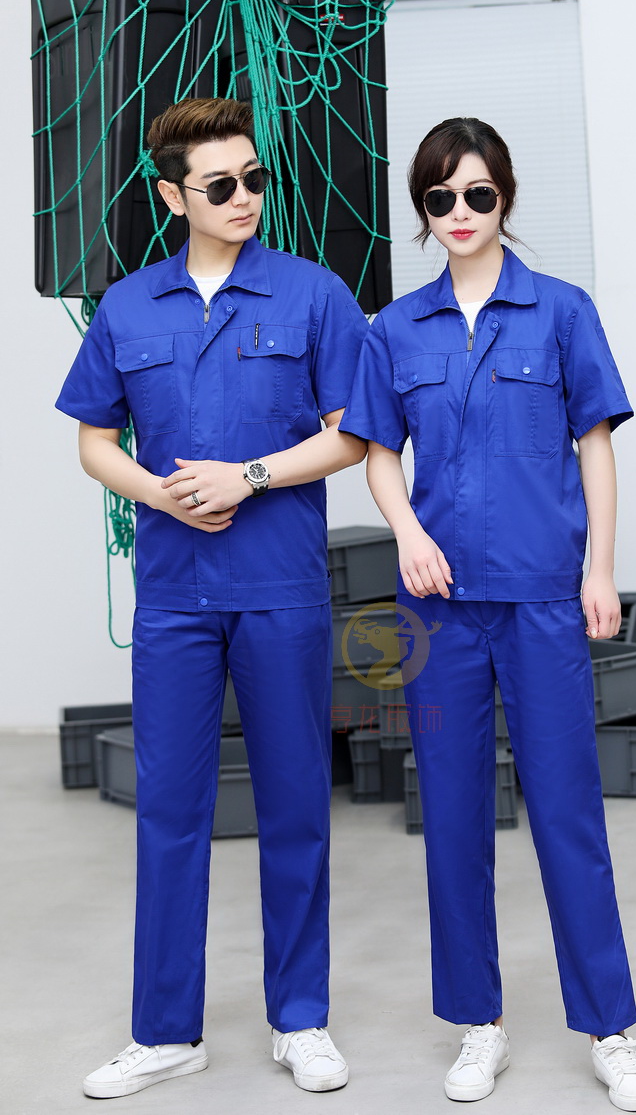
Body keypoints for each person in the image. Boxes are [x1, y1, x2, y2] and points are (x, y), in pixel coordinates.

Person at [339, 117, 636, 1111]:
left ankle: (609, 1028)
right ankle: (480, 1025)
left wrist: (600, 569)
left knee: (567, 812)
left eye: (478, 194)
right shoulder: (395, 329)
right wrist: (405, 531)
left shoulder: (562, 311)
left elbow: (595, 445)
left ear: (505, 197)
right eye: (440, 198)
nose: (461, 213)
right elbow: (378, 452)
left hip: (543, 600)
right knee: (452, 817)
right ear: (424, 212)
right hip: (440, 610)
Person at [55, 97, 370, 1099]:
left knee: (295, 803)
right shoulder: (127, 307)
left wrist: (251, 477)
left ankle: (301, 1019)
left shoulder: (314, 294)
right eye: (220, 184)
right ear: (171, 196)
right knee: (171, 809)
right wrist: (160, 494)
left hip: (280, 586)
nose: (244, 198)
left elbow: (351, 434)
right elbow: (94, 440)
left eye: (255, 179)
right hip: (173, 595)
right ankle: (164, 1032)